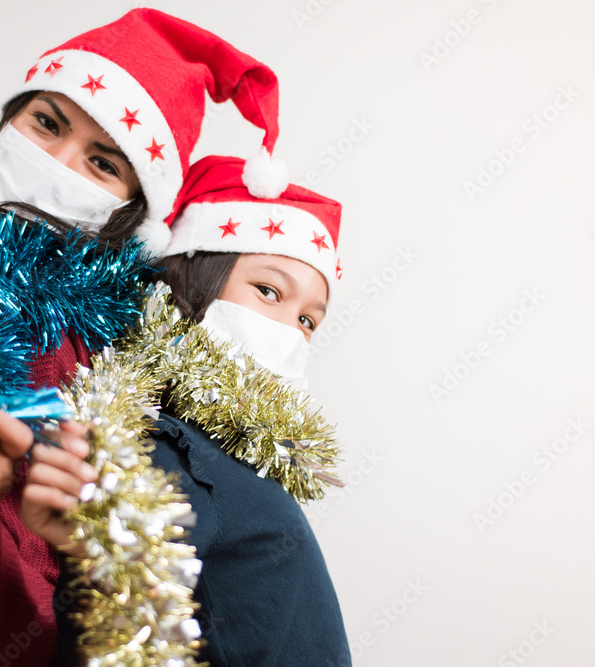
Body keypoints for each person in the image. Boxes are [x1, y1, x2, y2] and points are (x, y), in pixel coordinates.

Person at [0, 10, 288, 666]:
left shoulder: (63, 367)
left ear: (127, 215)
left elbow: (38, 631)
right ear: (5, 124)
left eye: (101, 162)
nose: (55, 166)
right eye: (47, 123)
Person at [22, 155, 351, 666]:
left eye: (309, 319)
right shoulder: (166, 450)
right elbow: (124, 622)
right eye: (269, 291)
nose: (289, 330)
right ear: (195, 279)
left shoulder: (230, 457)